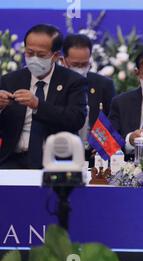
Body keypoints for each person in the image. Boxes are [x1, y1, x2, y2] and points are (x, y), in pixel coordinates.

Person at [0, 24, 88, 169]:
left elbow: (75, 119)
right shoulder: (10, 80)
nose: (34, 59)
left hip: (56, 160)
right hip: (12, 159)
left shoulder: (73, 82)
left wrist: (38, 105)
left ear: (55, 56)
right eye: (29, 53)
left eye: (41, 55)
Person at [61, 33, 116, 164]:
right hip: (63, 154)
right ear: (63, 61)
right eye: (75, 64)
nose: (80, 69)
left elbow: (113, 120)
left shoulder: (103, 85)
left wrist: (104, 148)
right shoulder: (55, 85)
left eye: (84, 64)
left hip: (95, 155)